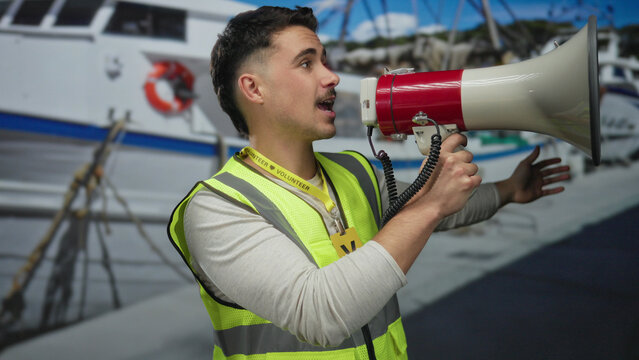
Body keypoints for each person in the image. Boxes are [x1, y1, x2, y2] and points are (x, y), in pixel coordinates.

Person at [168, 6, 571, 359]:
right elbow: (320, 314)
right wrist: (431, 205)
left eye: (325, 60)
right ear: (254, 88)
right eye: (307, 63)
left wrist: (506, 191)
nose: (333, 77)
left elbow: (432, 211)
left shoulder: (355, 170)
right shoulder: (220, 207)